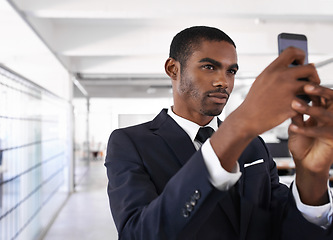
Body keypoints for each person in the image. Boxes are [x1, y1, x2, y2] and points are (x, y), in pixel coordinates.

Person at [105, 26, 333, 239]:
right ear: (173, 69)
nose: (223, 81)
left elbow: (283, 226)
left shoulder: (253, 144)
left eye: (231, 71)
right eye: (209, 67)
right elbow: (138, 233)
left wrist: (312, 174)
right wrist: (238, 125)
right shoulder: (130, 143)